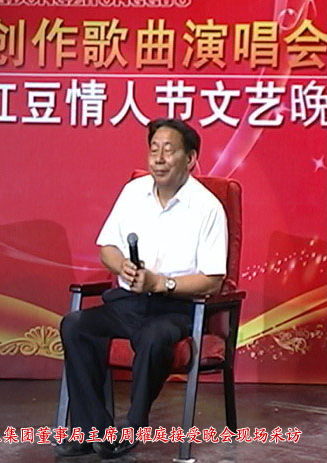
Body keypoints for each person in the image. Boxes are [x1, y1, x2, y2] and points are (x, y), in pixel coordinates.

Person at [56, 119, 228, 459]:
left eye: (169, 150)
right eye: (154, 150)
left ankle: (134, 426)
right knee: (75, 325)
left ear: (190, 158)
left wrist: (161, 283)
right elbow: (107, 248)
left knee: (154, 337)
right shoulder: (133, 192)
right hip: (127, 302)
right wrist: (123, 266)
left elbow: (213, 279)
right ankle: (93, 431)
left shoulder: (208, 208)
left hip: (175, 308)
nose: (159, 159)